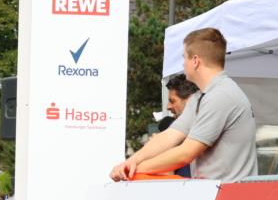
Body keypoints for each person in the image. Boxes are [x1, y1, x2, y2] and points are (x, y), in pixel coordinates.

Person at [110, 28, 258, 182]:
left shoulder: (220, 95)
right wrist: (132, 161)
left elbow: (186, 152)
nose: (183, 64)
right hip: (215, 193)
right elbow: (170, 136)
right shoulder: (202, 96)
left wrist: (135, 169)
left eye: (184, 58)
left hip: (230, 196)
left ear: (195, 61)